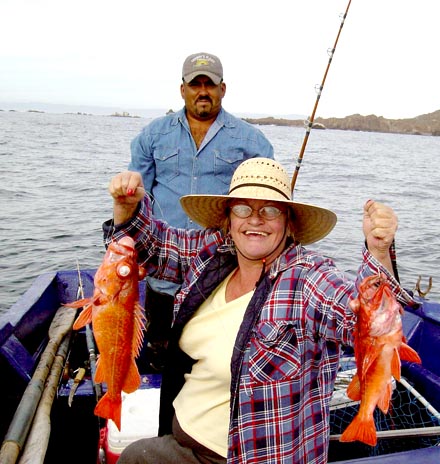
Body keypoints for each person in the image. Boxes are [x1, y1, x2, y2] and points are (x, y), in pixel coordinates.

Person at [106, 158, 413, 464]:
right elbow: (153, 248)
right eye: (242, 208)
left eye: (270, 210)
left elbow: (357, 317)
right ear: (228, 219)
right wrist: (126, 206)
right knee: (134, 458)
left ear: (288, 222)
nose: (254, 220)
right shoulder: (215, 252)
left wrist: (379, 253)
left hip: (251, 456)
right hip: (182, 441)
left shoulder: (308, 276)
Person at [129, 52, 274, 369]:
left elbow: (266, 205)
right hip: (163, 271)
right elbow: (137, 200)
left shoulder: (252, 140)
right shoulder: (153, 136)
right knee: (159, 359)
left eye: (211, 84)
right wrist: (134, 249)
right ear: (183, 89)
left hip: (221, 274)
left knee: (216, 362)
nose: (203, 91)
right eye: (196, 84)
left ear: (224, 89)